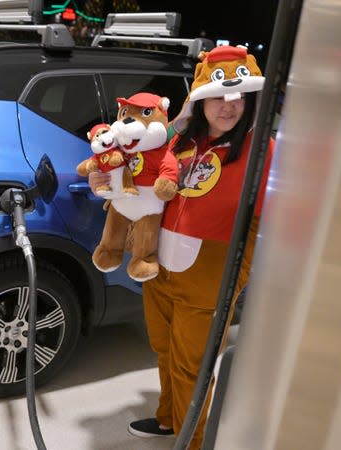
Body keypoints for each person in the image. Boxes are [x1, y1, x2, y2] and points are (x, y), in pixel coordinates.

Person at [90, 45, 274, 449]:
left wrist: (236, 275)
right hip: (158, 268)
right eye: (220, 96)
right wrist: (107, 183)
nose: (229, 106)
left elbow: (267, 222)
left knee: (193, 366)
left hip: (206, 278)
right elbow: (140, 182)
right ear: (201, 99)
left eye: (239, 96)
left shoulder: (261, 153)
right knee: (164, 349)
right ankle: (171, 419)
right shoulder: (181, 144)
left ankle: (195, 441)